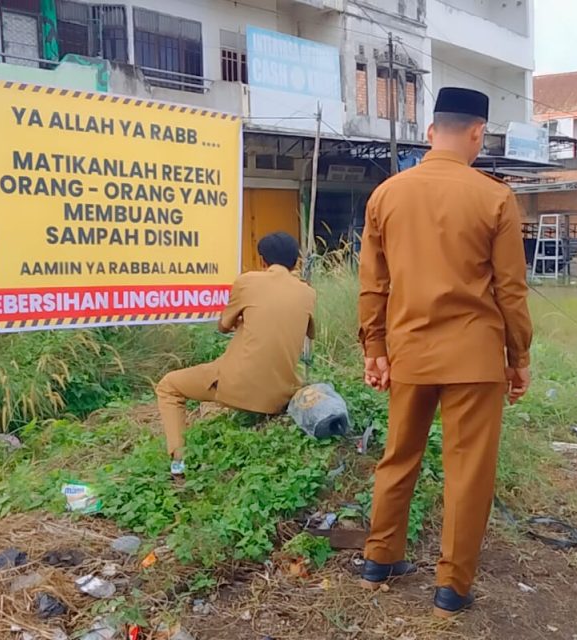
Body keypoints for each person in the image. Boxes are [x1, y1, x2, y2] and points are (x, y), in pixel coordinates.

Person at [356, 87, 533, 617]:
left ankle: (379, 559)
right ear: (477, 132)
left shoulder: (386, 194)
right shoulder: (495, 197)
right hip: (475, 358)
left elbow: (373, 284)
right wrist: (518, 356)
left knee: (398, 455)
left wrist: (374, 346)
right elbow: (511, 290)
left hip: (409, 351)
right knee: (467, 471)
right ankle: (451, 589)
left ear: (431, 132)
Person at [154, 232, 315, 478]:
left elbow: (223, 325)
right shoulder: (307, 293)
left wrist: (243, 318)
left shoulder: (248, 281)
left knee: (169, 386)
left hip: (238, 385)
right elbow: (307, 331)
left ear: (263, 261)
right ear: (296, 262)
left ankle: (178, 461)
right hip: (281, 393)